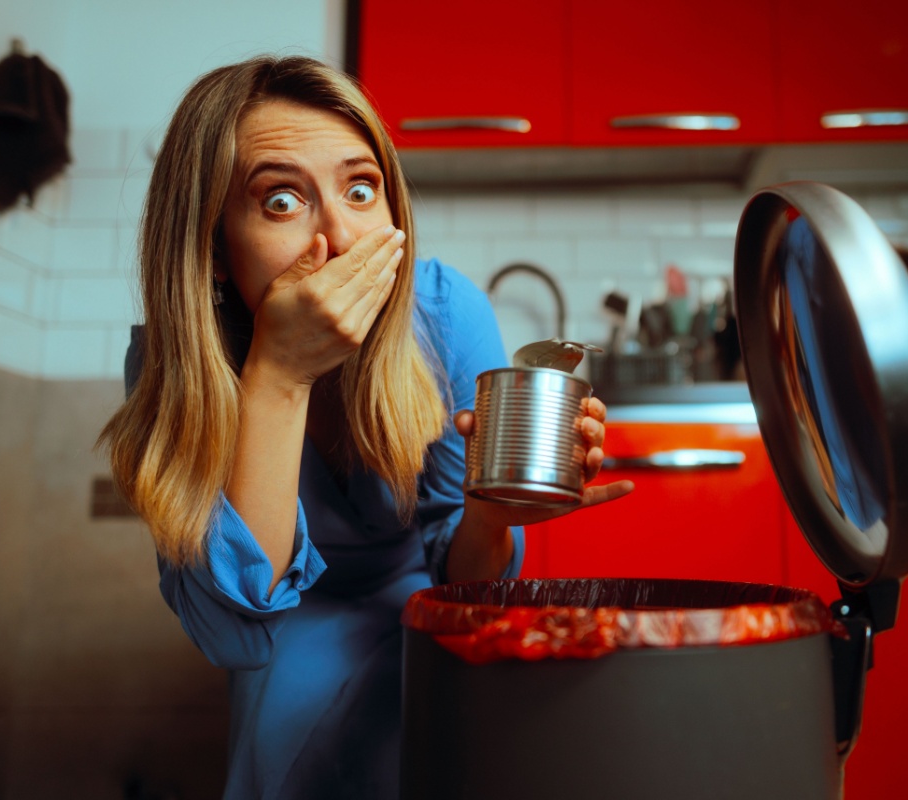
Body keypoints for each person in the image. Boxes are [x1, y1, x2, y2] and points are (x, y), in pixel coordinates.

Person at [98, 55, 633, 799]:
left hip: (424, 611)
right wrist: (279, 376)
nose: (343, 240)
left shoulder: (444, 316)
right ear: (215, 248)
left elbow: (465, 579)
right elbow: (233, 635)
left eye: (360, 188)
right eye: (281, 201)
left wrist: (486, 515)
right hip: (279, 643)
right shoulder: (174, 362)